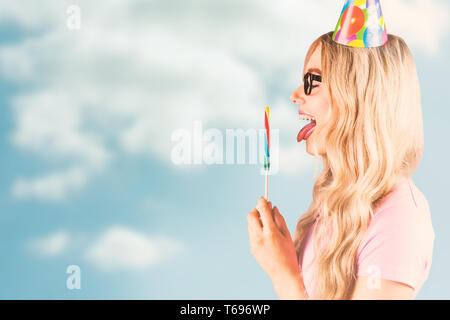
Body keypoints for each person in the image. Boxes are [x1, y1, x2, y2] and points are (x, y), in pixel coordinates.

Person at [246, 1, 435, 300]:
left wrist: (284, 273)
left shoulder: (399, 219)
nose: (296, 95)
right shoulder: (335, 209)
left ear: (359, 96)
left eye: (313, 82)